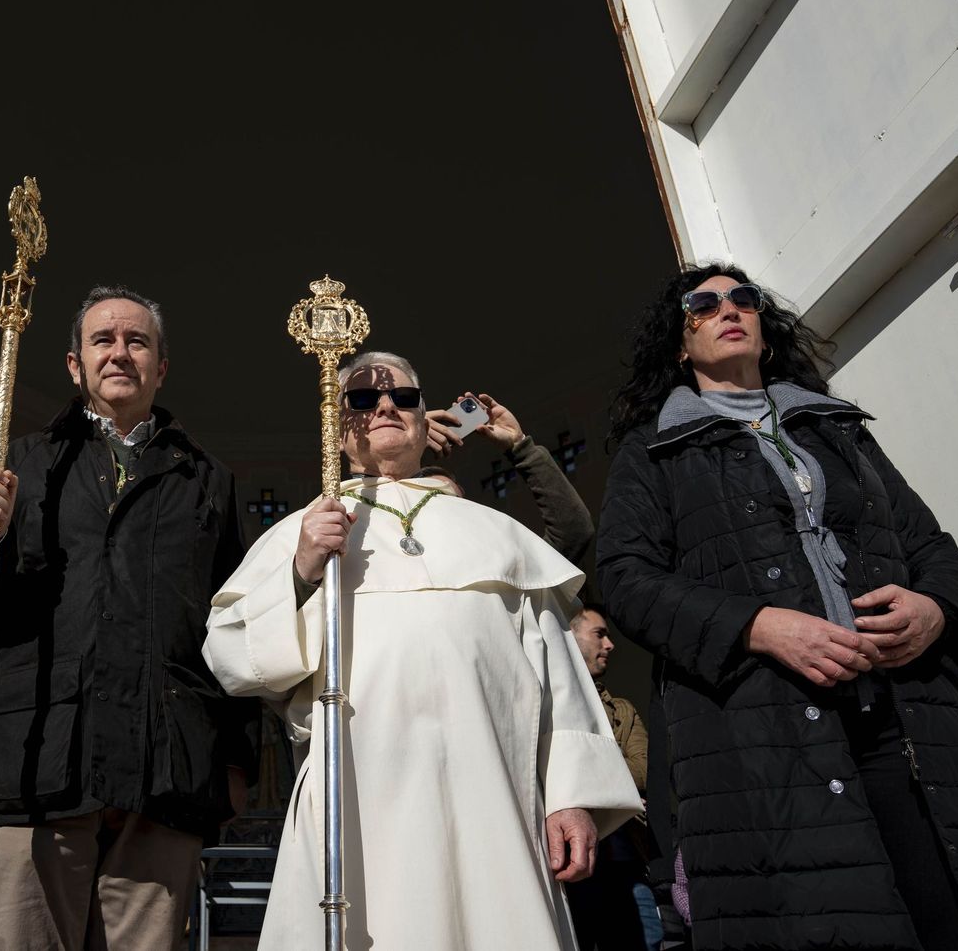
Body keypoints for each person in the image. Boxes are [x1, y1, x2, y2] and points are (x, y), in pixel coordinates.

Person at [597, 263, 958, 950]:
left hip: (908, 726)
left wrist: (934, 611)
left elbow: (932, 548)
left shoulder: (838, 430)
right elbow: (627, 579)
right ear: (679, 344)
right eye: (703, 303)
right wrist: (756, 626)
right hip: (771, 744)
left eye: (743, 299)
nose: (730, 309)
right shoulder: (654, 452)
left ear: (765, 333)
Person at [203, 350, 640, 950]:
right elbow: (232, 655)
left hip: (497, 793)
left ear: (422, 419)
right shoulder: (303, 531)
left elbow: (557, 676)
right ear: (336, 429)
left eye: (403, 398)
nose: (384, 405)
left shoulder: (495, 531)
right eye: (361, 399)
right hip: (358, 796)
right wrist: (303, 569)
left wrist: (571, 796)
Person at [0, 284, 257, 951]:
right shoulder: (21, 464)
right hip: (40, 752)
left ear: (161, 367)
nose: (120, 352)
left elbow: (235, 624)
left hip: (167, 762)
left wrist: (236, 757)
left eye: (136, 341)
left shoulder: (208, 479)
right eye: (103, 340)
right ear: (74, 363)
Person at [565, 604, 661, 951]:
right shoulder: (547, 706)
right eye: (599, 634)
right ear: (570, 637)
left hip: (626, 859)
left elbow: (645, 769)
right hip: (567, 864)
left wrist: (585, 763)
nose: (610, 645)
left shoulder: (622, 710)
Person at [426, 391, 594, 564]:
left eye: (451, 498)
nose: (446, 506)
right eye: (428, 497)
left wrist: (520, 448)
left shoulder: (500, 568)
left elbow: (572, 532)